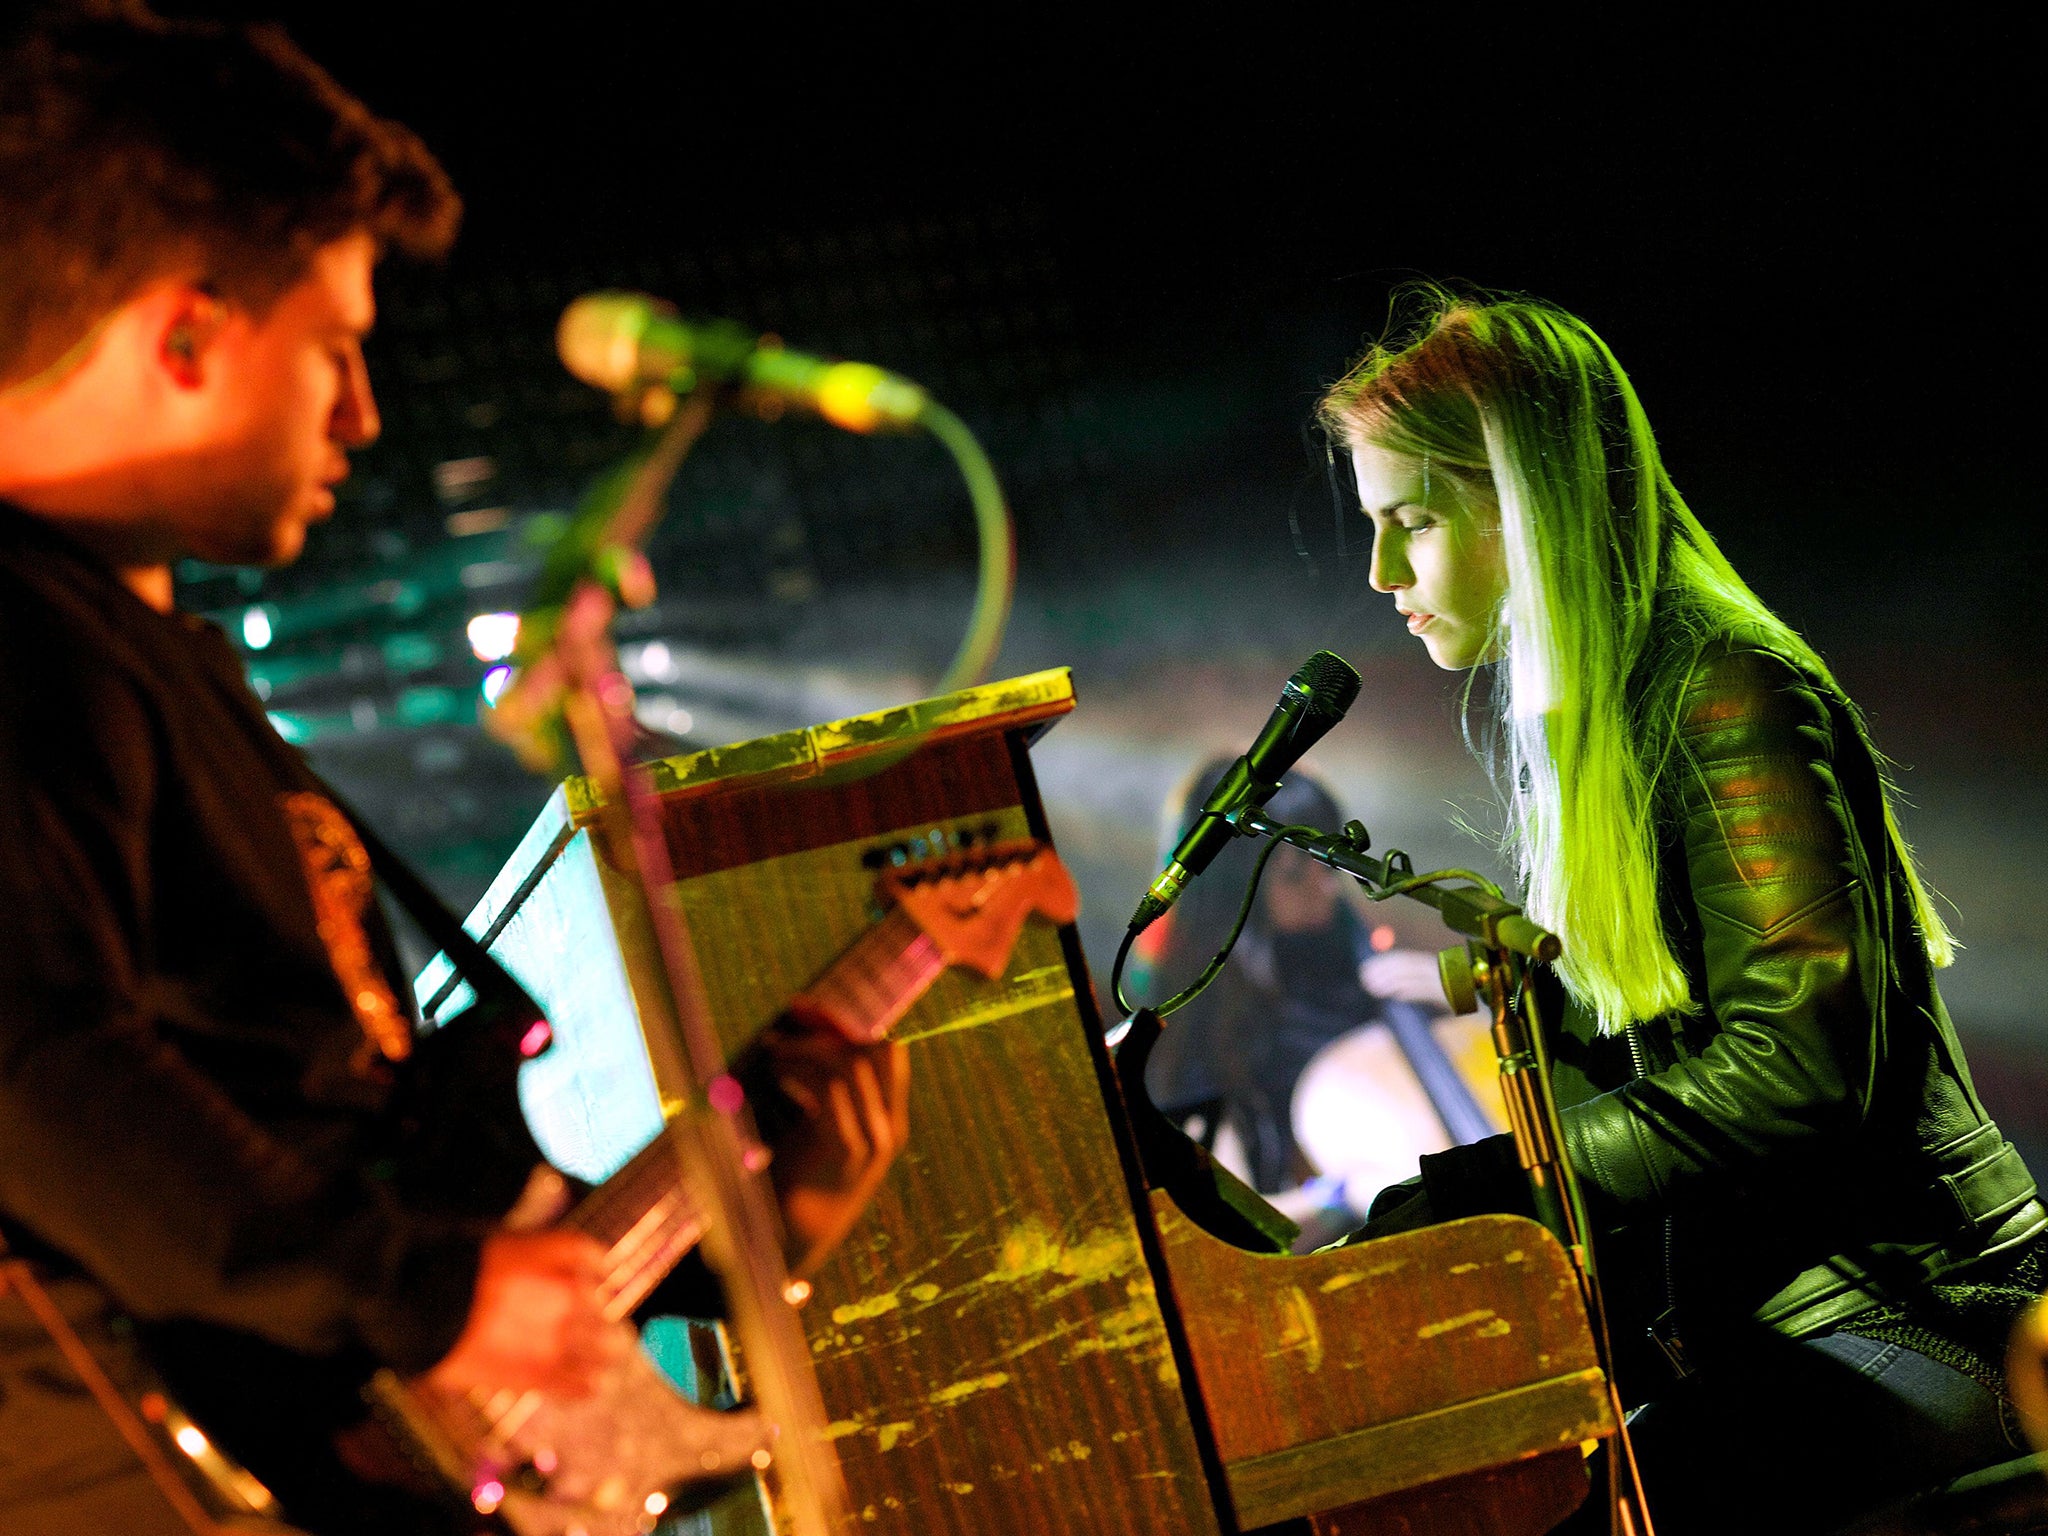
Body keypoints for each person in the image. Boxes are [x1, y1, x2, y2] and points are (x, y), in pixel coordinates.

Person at [0, 9, 907, 1533]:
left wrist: (728, 1239)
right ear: (186, 335)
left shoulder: (151, 655)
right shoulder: (24, 637)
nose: (361, 413)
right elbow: (34, 1065)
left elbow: (303, 1132)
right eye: (338, 346)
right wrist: (423, 1291)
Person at [1316, 291, 2046, 1535]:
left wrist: (1511, 1188)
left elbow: (1794, 1064)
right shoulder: (1601, 715)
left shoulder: (1714, 693)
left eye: (1412, 523)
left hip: (1908, 1309)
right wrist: (1539, 1000)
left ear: (1521, 505)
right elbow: (1687, 1044)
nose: (1380, 572)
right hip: (1800, 1303)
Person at [1136, 759, 1498, 1228]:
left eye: (1327, 863)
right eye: (1293, 875)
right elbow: (1238, 1220)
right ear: (1238, 889)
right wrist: (1345, 1194)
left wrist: (1467, 988)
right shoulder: (1210, 1031)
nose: (1326, 887)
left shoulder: (1353, 960)